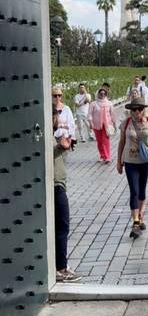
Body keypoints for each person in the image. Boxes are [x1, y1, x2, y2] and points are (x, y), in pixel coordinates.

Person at [117, 96, 148, 238]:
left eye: (140, 109)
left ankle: (140, 216)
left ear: (144, 109)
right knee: (134, 191)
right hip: (130, 161)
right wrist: (119, 161)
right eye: (134, 110)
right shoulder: (126, 123)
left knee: (142, 190)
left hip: (146, 161)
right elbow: (121, 142)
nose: (137, 112)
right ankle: (135, 221)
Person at [52, 106, 81, 282]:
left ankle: (59, 265)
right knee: (62, 227)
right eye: (55, 116)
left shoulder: (52, 134)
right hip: (55, 186)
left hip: (59, 184)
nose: (57, 119)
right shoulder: (46, 135)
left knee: (60, 227)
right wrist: (60, 148)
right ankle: (61, 268)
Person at [87, 87, 116, 161]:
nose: (102, 95)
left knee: (105, 141)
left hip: (106, 125)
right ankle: (102, 155)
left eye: (104, 93)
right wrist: (90, 123)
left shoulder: (109, 103)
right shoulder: (93, 104)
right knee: (99, 141)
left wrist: (114, 124)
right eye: (101, 93)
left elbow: (112, 114)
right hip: (96, 125)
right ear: (98, 94)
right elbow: (89, 114)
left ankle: (107, 156)